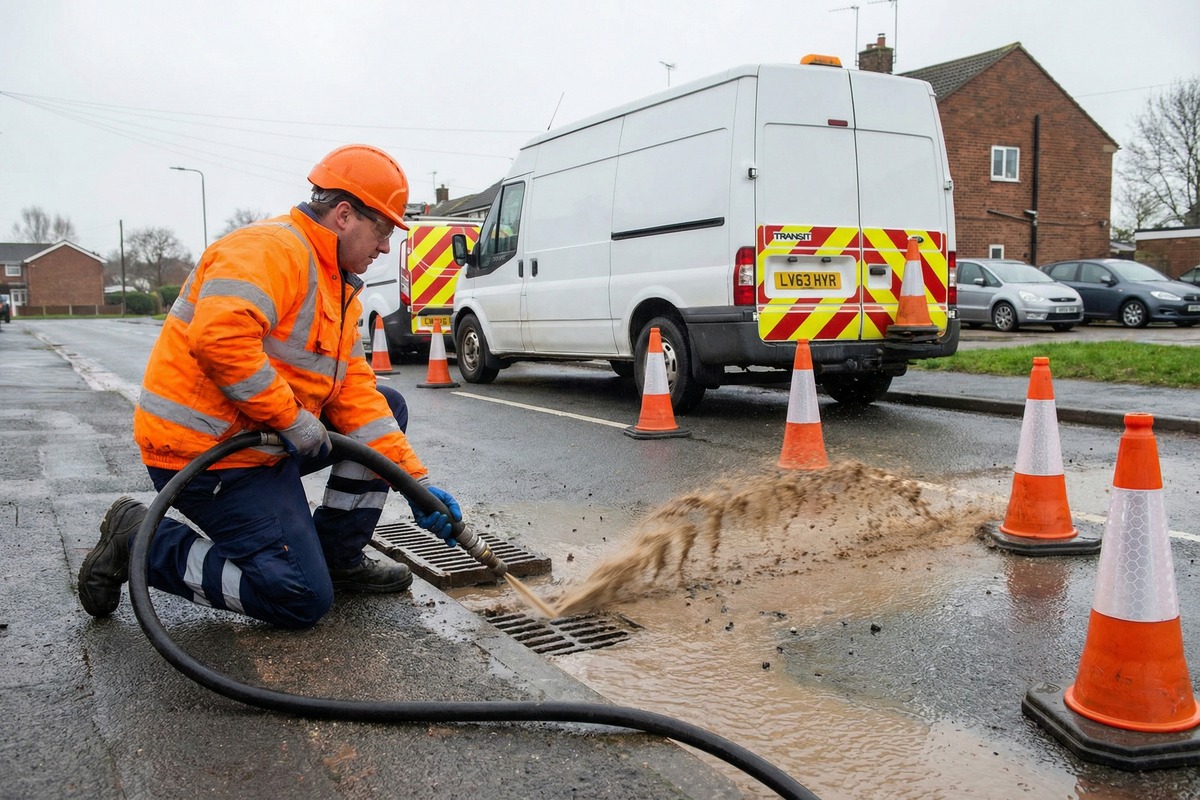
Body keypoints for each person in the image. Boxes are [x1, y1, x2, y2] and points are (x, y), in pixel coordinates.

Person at [77, 144, 462, 629]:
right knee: (298, 598)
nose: (385, 247)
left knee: (388, 403)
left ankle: (335, 559)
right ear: (344, 215)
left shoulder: (337, 283)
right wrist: (292, 419)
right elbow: (219, 340)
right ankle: (139, 540)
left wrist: (416, 484)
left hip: (265, 444)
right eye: (382, 231)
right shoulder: (268, 250)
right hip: (207, 457)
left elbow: (356, 394)